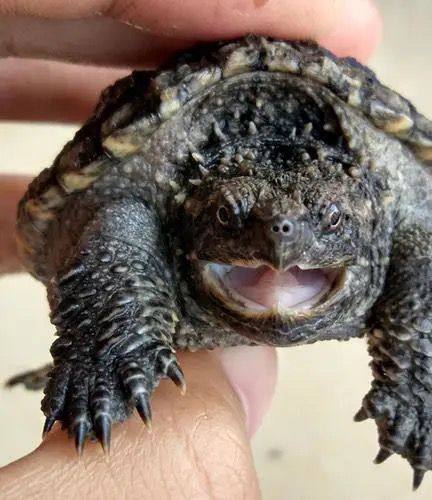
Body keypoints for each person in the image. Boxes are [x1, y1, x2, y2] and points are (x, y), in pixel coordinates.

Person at [0, 1, 381, 497]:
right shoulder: (150, 180)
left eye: (330, 220)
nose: (280, 243)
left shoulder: (388, 179)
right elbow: (116, 222)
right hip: (140, 210)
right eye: (228, 216)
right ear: (193, 209)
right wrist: (111, 337)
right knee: (119, 240)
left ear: (361, 214)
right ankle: (108, 346)